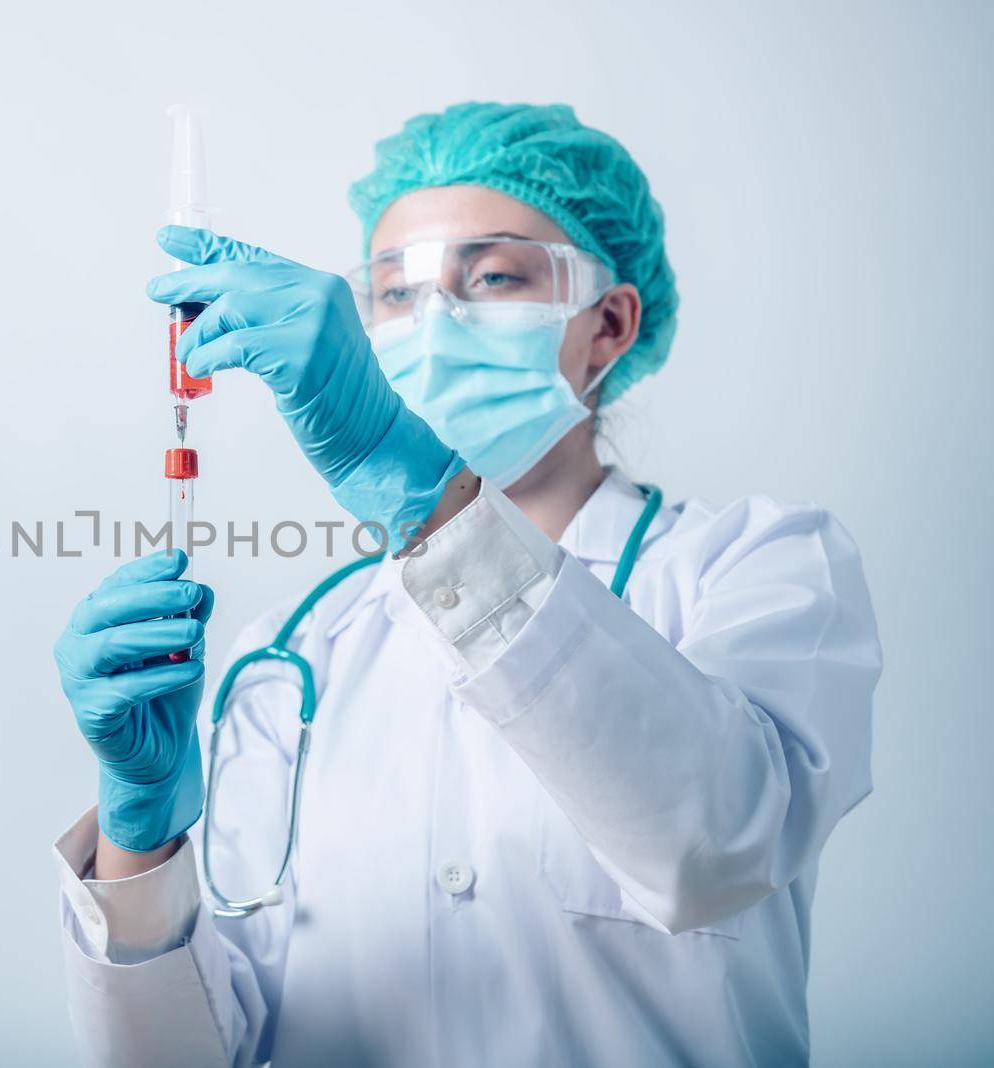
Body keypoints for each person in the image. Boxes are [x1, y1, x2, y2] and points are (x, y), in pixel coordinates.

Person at [49, 102, 880, 1066]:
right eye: (395, 293)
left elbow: (714, 848)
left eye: (489, 277)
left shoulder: (755, 568)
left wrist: (424, 497)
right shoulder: (284, 659)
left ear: (607, 323)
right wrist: (137, 846)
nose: (432, 323)